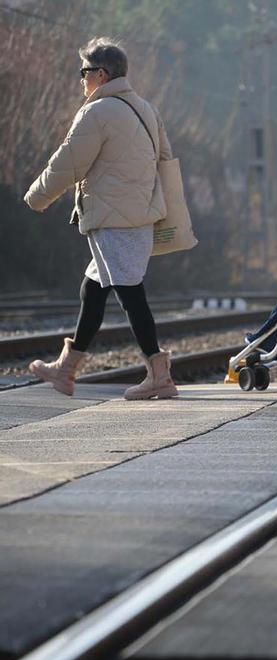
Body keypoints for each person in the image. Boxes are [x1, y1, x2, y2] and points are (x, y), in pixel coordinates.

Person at [24, 37, 178, 401]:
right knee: (92, 290)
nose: (81, 79)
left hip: (114, 218)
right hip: (136, 216)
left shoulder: (98, 111)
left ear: (102, 73)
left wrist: (37, 197)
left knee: (129, 293)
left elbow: (69, 160)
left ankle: (158, 374)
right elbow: (166, 161)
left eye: (84, 72)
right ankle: (66, 370)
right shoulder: (145, 108)